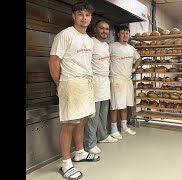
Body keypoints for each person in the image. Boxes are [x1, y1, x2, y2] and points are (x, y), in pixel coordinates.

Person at [48, 1, 99, 179]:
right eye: (80, 14)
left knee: (82, 120)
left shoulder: (88, 40)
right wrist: (59, 84)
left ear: (90, 18)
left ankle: (80, 152)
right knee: (69, 124)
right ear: (73, 16)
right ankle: (66, 163)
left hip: (85, 84)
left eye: (87, 15)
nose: (84, 17)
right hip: (70, 84)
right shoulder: (65, 35)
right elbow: (54, 61)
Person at [84, 20, 118, 155]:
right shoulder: (90, 42)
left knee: (104, 112)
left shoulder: (106, 45)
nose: (105, 31)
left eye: (107, 29)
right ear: (95, 29)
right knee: (93, 115)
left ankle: (103, 136)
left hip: (105, 81)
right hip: (95, 82)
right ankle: (90, 143)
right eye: (102, 28)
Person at [109, 25, 142, 139]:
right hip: (116, 80)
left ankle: (124, 127)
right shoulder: (112, 46)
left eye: (127, 33)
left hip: (127, 80)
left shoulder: (131, 48)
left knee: (125, 105)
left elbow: (139, 58)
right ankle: (113, 130)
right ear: (118, 34)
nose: (125, 35)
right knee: (115, 106)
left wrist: (134, 69)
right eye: (122, 33)